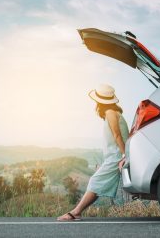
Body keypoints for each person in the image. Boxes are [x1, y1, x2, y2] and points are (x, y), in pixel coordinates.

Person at [57, 84, 129, 221]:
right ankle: (76, 212)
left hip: (116, 156)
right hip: (115, 155)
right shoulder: (113, 113)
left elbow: (117, 135)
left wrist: (125, 155)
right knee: (96, 183)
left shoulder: (110, 113)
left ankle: (76, 212)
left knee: (95, 181)